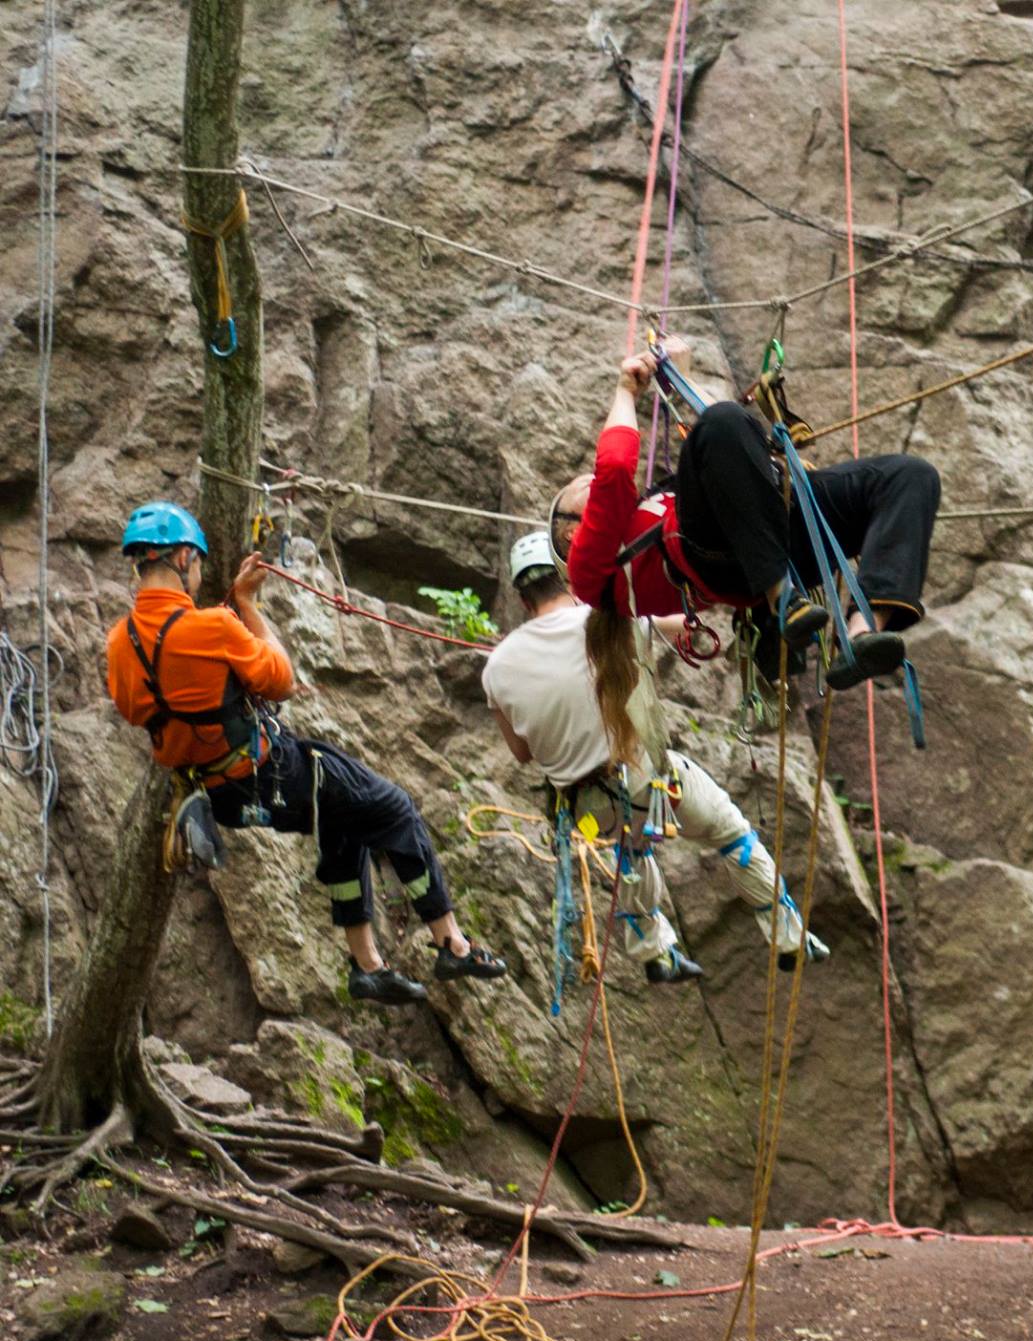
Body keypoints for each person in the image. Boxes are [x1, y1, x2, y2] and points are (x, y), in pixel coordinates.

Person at [105, 502, 509, 1006]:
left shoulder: (119, 644)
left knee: (344, 819)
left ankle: (368, 967)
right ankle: (452, 943)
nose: (199, 574)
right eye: (199, 564)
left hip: (220, 795)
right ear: (185, 556)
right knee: (395, 809)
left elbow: (134, 710)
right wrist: (248, 605)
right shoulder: (212, 627)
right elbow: (282, 679)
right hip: (276, 773)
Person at [556, 342, 940, 761]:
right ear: (572, 534)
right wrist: (625, 392)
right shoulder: (590, 571)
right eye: (578, 491)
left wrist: (681, 375)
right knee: (722, 421)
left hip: (777, 528)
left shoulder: (647, 508)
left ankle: (862, 631)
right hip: (722, 554)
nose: (586, 483)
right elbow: (614, 468)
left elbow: (726, 443)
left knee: (909, 477)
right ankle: (782, 597)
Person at [483, 531, 826, 974]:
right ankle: (789, 938)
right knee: (730, 833)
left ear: (523, 599)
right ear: (570, 572)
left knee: (633, 844)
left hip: (586, 813)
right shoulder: (608, 622)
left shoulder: (497, 668)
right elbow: (686, 625)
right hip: (653, 785)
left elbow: (523, 754)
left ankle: (655, 954)